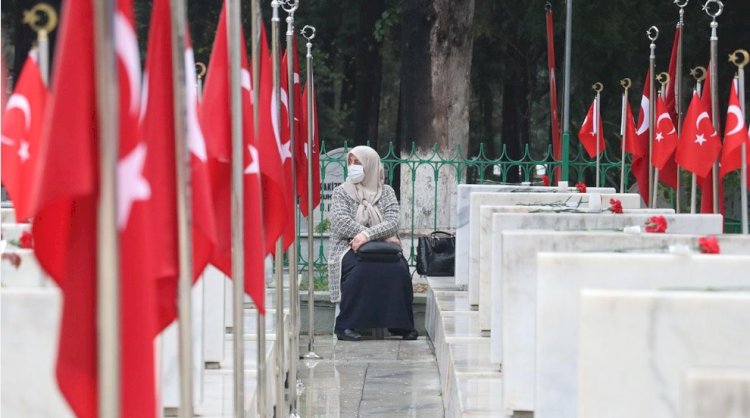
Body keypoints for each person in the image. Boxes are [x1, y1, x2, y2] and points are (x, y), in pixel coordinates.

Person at [327, 145, 418, 341]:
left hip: (384, 248)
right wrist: (375, 234)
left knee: (398, 270)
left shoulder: (386, 192)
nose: (352, 167)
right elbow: (341, 223)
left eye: (357, 163)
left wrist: (367, 236)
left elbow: (393, 221)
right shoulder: (341, 192)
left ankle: (400, 325)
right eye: (350, 162)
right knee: (361, 269)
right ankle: (347, 326)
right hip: (347, 246)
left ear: (371, 165)